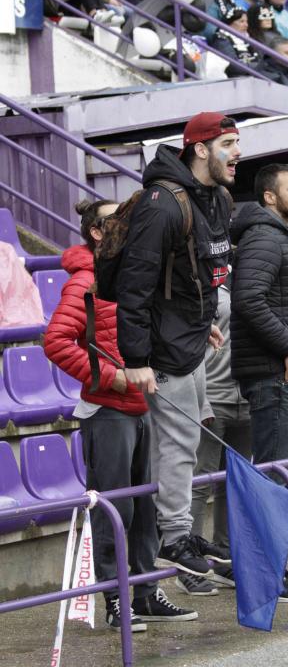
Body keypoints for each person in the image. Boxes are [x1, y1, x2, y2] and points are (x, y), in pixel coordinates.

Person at [44, 200, 195, 631]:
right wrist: (111, 377)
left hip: (142, 410)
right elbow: (56, 342)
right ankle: (114, 600)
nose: (133, 225)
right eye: (121, 220)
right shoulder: (87, 281)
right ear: (98, 233)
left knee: (144, 510)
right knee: (113, 512)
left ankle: (146, 593)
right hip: (108, 411)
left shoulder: (130, 278)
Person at [116, 112, 239, 577]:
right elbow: (135, 286)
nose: (237, 152)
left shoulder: (214, 199)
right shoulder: (162, 203)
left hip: (188, 340)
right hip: (163, 353)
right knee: (180, 444)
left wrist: (201, 319)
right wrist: (136, 359)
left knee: (185, 443)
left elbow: (193, 275)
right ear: (200, 148)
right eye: (228, 142)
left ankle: (176, 530)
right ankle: (175, 536)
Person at [230, 163, 288, 601]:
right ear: (269, 197)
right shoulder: (265, 236)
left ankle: (273, 573)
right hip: (274, 374)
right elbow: (248, 299)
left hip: (283, 375)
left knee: (280, 475)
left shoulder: (275, 234)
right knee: (274, 477)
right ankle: (269, 577)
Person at [187, 277, 252, 596]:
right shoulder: (205, 284)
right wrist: (203, 402)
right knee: (200, 483)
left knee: (234, 482)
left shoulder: (251, 280)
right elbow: (191, 344)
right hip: (213, 398)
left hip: (247, 400)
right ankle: (190, 564)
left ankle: (225, 559)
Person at [212, 6, 263, 76]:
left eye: (246, 22)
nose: (246, 25)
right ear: (230, 23)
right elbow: (234, 66)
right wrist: (258, 67)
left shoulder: (247, 37)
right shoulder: (222, 40)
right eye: (241, 21)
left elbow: (259, 58)